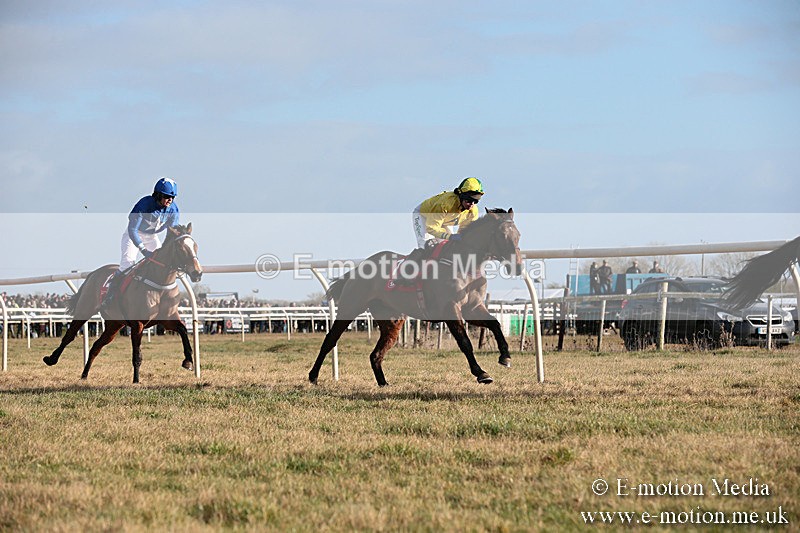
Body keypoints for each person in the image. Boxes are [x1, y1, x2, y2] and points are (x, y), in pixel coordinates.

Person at [101, 178, 181, 308]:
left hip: (151, 236)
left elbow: (172, 234)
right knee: (127, 265)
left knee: (164, 263)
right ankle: (110, 296)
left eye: (172, 197)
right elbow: (133, 229)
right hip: (134, 235)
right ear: (158, 195)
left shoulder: (173, 210)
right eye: (167, 196)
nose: (170, 200)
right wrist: (143, 250)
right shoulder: (144, 204)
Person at [412, 177, 484, 249]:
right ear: (461, 196)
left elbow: (464, 232)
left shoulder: (473, 211)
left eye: (476, 201)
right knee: (425, 246)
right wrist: (450, 236)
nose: (472, 204)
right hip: (424, 216)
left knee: (450, 247)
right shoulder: (444, 204)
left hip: (444, 221)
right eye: (469, 200)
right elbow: (431, 228)